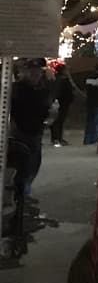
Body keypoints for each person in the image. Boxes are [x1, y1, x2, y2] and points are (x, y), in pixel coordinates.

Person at [10, 60, 51, 195]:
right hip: (19, 132)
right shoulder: (17, 89)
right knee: (22, 166)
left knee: (33, 165)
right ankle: (20, 194)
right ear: (24, 72)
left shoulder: (42, 89)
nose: (35, 74)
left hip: (35, 131)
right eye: (32, 71)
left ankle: (24, 193)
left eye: (38, 71)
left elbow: (46, 109)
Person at [49, 63, 74, 147]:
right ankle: (57, 138)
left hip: (60, 102)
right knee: (59, 121)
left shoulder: (56, 78)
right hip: (62, 102)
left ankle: (56, 138)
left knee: (57, 120)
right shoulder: (62, 80)